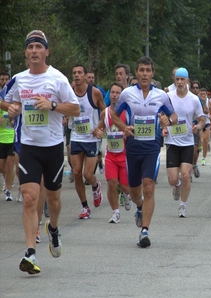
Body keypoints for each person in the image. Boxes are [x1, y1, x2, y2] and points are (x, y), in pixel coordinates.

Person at [6, 30, 80, 274]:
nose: (34, 51)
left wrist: (54, 105)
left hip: (52, 148)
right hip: (28, 147)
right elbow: (4, 100)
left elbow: (76, 109)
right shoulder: (18, 79)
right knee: (29, 197)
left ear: (46, 51)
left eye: (39, 46)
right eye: (30, 47)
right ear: (26, 53)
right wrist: (12, 107)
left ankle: (54, 229)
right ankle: (30, 252)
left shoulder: (57, 79)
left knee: (54, 200)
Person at [111, 56, 178, 248]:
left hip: (152, 147)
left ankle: (145, 231)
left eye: (148, 70)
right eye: (141, 70)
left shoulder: (161, 96)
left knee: (148, 185)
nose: (145, 74)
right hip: (133, 147)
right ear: (137, 73)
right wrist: (124, 127)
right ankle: (139, 207)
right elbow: (114, 114)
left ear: (153, 73)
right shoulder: (127, 94)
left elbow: (173, 115)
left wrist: (169, 121)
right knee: (134, 192)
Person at [163, 67, 205, 217]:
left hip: (187, 142)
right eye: (177, 79)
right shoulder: (168, 97)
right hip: (172, 142)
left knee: (186, 175)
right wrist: (164, 127)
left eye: (182, 79)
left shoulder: (194, 99)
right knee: (172, 179)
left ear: (187, 81)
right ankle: (177, 185)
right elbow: (161, 115)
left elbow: (202, 119)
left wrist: (198, 127)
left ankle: (183, 205)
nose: (180, 82)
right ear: (174, 80)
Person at [70, 64, 105, 219]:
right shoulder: (69, 92)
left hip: (90, 138)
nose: (77, 75)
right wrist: (65, 118)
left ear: (85, 75)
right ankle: (85, 207)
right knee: (76, 173)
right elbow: (65, 109)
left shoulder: (94, 92)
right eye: (74, 73)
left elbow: (105, 112)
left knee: (87, 175)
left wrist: (99, 128)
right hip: (76, 137)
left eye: (79, 73)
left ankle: (96, 186)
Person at [94, 82, 132, 223]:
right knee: (111, 183)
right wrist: (98, 132)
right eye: (113, 93)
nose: (115, 95)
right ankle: (115, 212)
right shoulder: (105, 112)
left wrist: (127, 133)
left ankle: (127, 194)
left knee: (124, 186)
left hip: (125, 155)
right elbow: (99, 128)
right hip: (110, 156)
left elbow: (133, 129)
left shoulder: (127, 112)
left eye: (118, 93)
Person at [199, 87, 211, 166]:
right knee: (201, 139)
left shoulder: (209, 102)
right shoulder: (196, 100)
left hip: (207, 121)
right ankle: (201, 146)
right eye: (201, 94)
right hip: (199, 122)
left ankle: (203, 158)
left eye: (204, 94)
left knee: (205, 140)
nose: (202, 95)